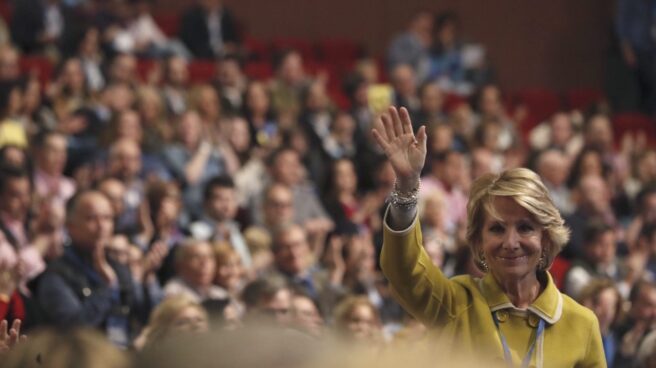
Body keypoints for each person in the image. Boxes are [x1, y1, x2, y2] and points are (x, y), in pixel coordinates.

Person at [371, 106, 605, 367]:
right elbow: (404, 269)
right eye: (497, 228)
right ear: (479, 242)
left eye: (526, 228)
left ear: (547, 239)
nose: (511, 242)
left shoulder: (582, 325)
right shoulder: (456, 303)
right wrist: (406, 186)